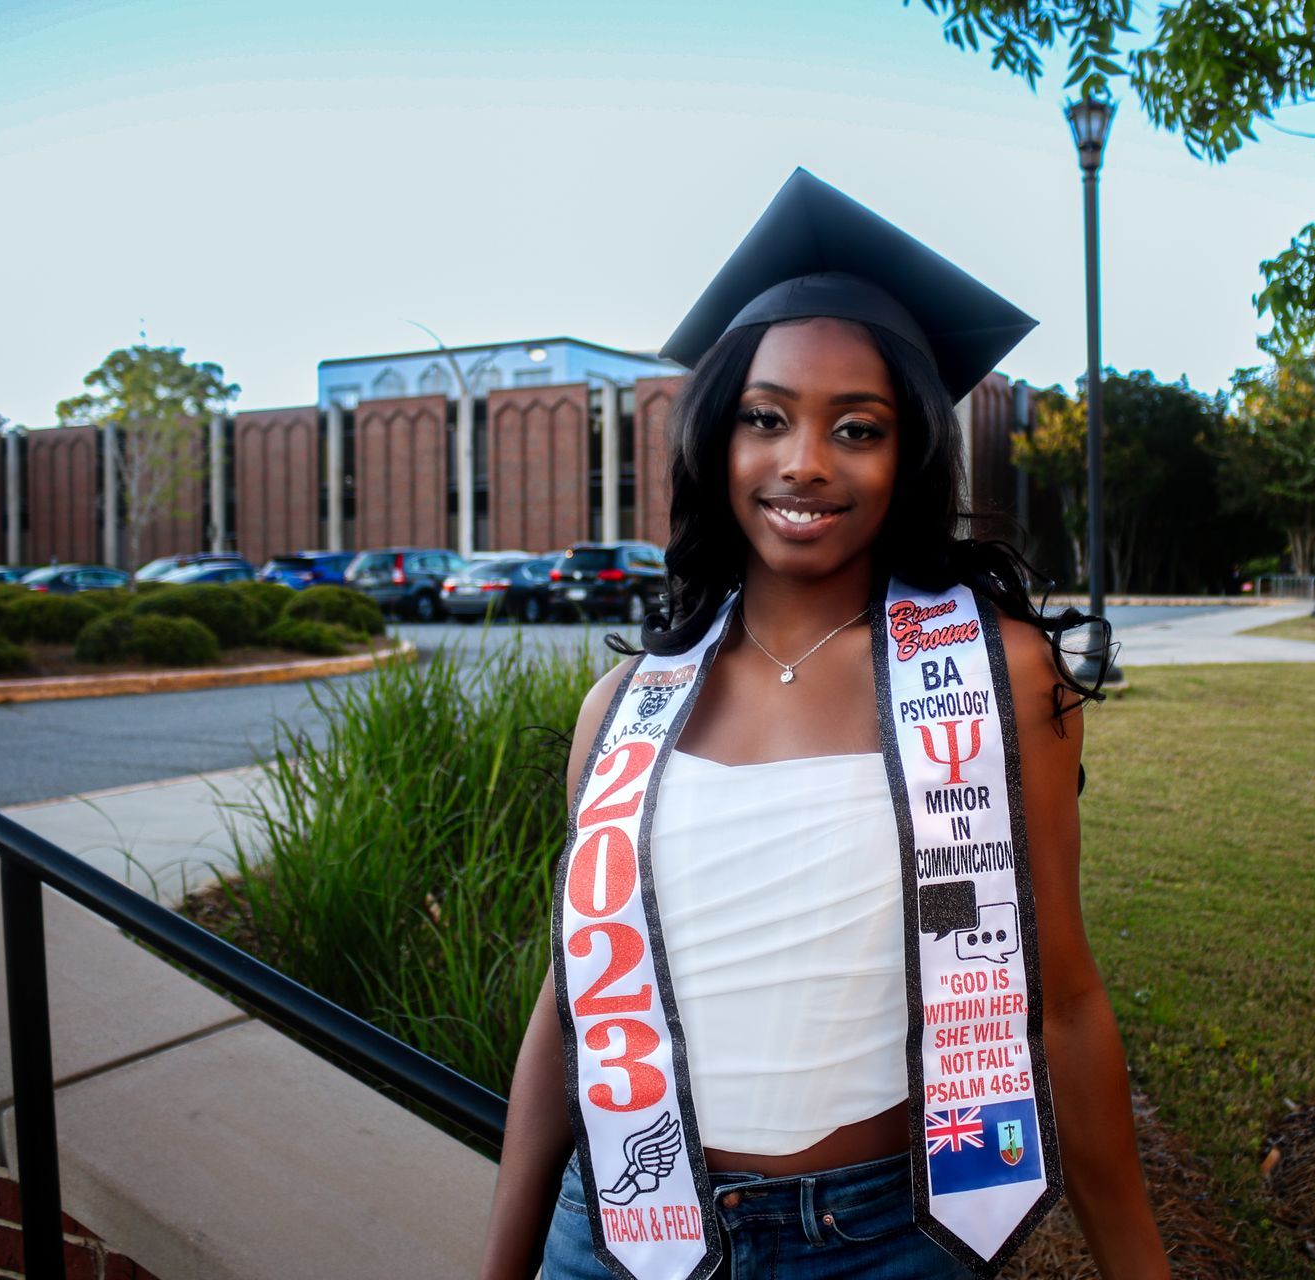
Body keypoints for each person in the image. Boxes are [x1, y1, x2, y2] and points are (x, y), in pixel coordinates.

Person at [478, 170, 1169, 1280]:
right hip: (621, 1232)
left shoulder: (992, 675)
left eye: (857, 426)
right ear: (719, 439)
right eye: (766, 417)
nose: (803, 460)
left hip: (886, 1238)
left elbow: (1066, 998)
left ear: (909, 458)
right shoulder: (623, 709)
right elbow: (571, 1004)